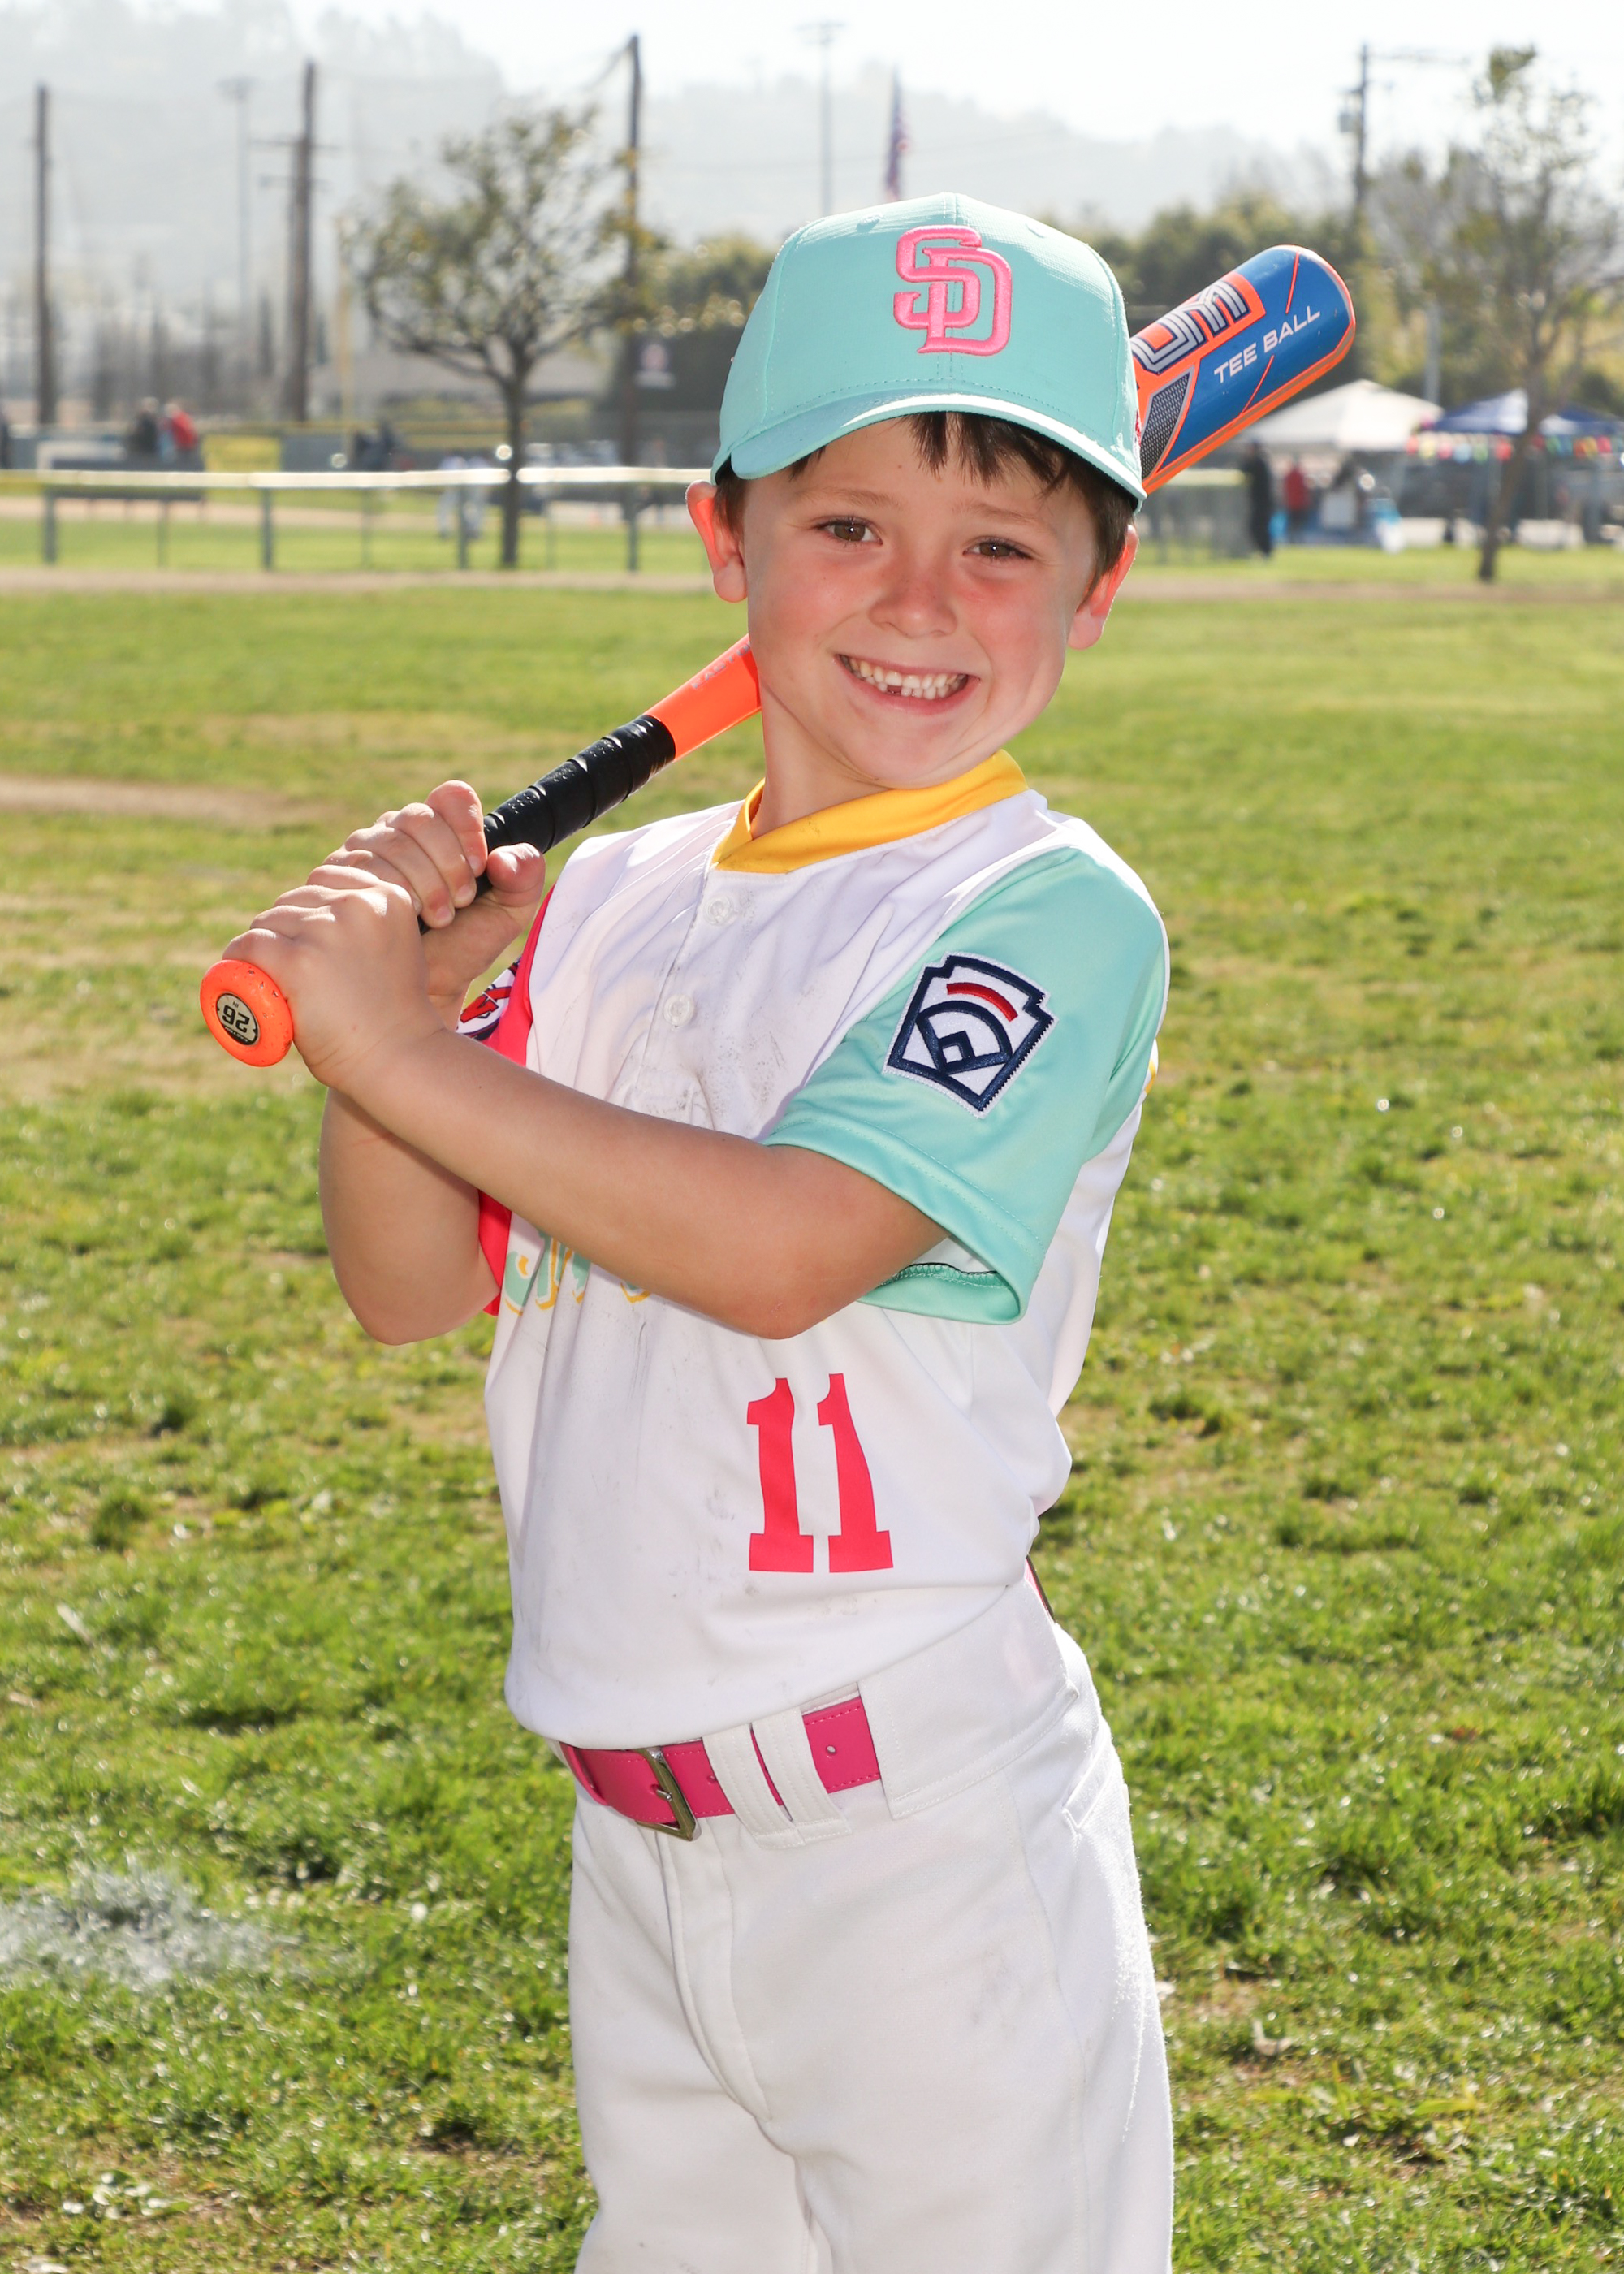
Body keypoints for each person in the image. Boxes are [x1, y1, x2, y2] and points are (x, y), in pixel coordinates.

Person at [229, 193, 1172, 2273]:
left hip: (921, 1843)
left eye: (1000, 546)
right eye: (845, 525)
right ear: (721, 538)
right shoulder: (621, 899)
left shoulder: (1041, 912)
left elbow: (781, 1249)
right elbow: (407, 1287)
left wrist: (400, 1043)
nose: (918, 599)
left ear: (1093, 588)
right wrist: (408, 1045)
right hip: (638, 1835)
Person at [1245, 439, 1274, 555]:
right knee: (1259, 527)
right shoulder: (1262, 462)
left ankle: (1265, 550)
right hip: (1262, 501)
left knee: (1258, 527)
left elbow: (1246, 469)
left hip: (1262, 501)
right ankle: (1264, 550)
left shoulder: (1259, 463)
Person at [1281, 455, 1311, 541]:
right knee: (1299, 522)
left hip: (1291, 503)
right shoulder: (1300, 476)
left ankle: (1292, 538)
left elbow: (1285, 490)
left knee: (1292, 522)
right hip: (1299, 503)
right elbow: (1304, 490)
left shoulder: (1289, 476)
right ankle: (1298, 538)